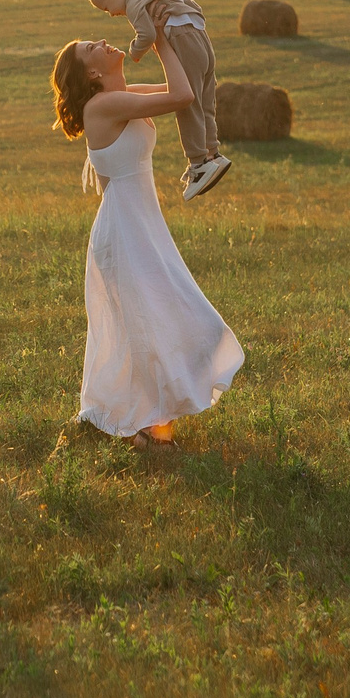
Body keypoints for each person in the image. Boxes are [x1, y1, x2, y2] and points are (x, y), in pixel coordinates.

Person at [50, 23, 244, 450]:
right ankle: (149, 429)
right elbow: (181, 98)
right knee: (149, 326)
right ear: (93, 75)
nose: (102, 40)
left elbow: (185, 85)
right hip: (124, 232)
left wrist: (174, 34)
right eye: (91, 47)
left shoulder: (121, 96)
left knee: (164, 318)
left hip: (141, 226)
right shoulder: (104, 105)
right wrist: (157, 39)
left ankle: (148, 422)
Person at [86, 0, 230, 198]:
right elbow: (186, 1)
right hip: (200, 35)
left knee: (188, 105)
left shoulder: (134, 5)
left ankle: (198, 163)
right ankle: (213, 153)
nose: (111, 14)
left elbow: (148, 34)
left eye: (106, 8)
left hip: (183, 40)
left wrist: (134, 51)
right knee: (205, 97)